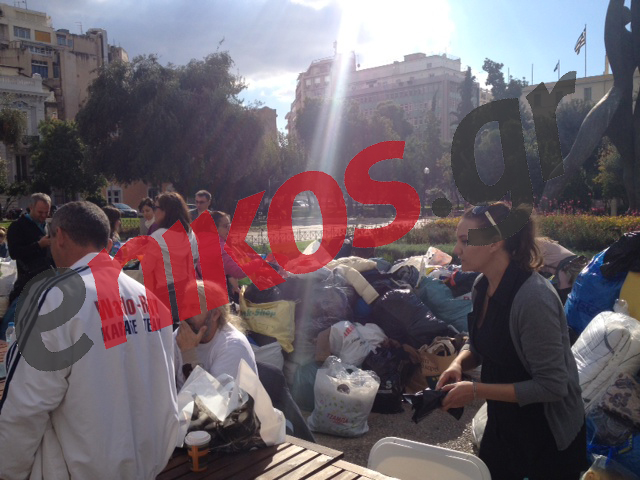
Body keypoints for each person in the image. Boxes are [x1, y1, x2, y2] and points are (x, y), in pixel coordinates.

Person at [0, 201, 179, 479]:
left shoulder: (57, 299)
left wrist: (7, 471)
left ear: (60, 236)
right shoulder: (149, 299)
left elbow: (24, 407)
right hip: (148, 466)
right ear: (107, 243)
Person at [436, 202, 587, 480]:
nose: (456, 250)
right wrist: (457, 364)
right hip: (502, 425)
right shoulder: (482, 285)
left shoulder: (533, 299)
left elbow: (553, 385)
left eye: (465, 241)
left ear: (495, 242)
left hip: (545, 438)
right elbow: (479, 344)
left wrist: (476, 390)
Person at [174, 279, 257, 390]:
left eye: (194, 308)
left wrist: (188, 353)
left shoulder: (233, 345)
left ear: (215, 315)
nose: (186, 314)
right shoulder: (182, 334)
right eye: (184, 307)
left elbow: (210, 399)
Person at [147, 192, 200, 327]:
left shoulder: (156, 237)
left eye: (156, 208)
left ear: (165, 211)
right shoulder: (191, 234)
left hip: (164, 293)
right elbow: (194, 261)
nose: (154, 212)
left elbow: (145, 269)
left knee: (166, 334)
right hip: (188, 291)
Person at [7, 193, 54, 305]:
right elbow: (14, 253)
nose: (44, 216)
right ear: (31, 207)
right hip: (28, 284)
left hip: (48, 281)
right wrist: (38, 245)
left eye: (46, 212)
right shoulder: (17, 226)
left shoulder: (47, 226)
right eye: (40, 212)